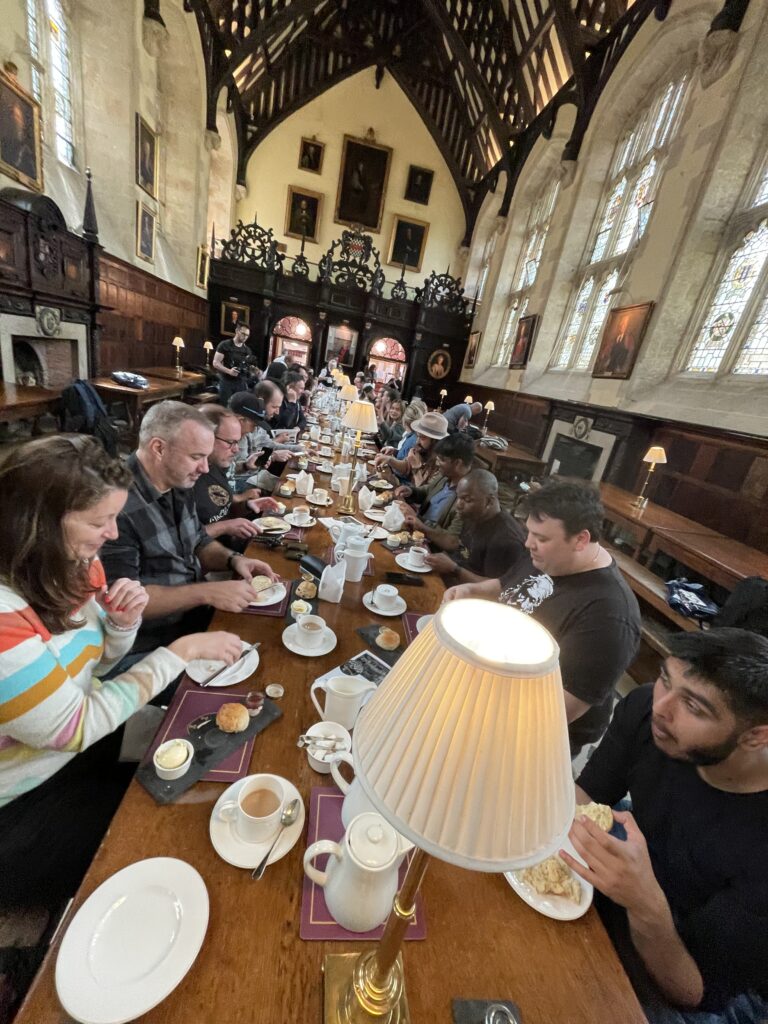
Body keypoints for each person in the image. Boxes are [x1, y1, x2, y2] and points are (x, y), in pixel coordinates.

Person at [0, 435, 242, 906]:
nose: (113, 533)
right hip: (24, 797)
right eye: (99, 520)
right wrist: (180, 651)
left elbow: (99, 668)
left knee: (204, 760)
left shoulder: (73, 564)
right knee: (166, 845)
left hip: (76, 749)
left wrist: (121, 625)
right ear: (38, 525)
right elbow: (74, 726)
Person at [566, 629, 768, 1024]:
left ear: (756, 736)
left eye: (694, 706)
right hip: (644, 870)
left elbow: (692, 991)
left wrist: (645, 905)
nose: (662, 706)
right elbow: (586, 797)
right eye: (665, 679)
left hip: (698, 972)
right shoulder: (647, 709)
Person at [445, 479, 641, 757]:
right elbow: (509, 584)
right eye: (529, 533)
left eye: (541, 538)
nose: (528, 544)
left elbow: (557, 713)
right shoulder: (547, 556)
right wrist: (473, 589)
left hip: (534, 734)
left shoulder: (609, 616)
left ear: (581, 540)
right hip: (489, 678)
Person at [100, 401, 278, 655]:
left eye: (206, 457)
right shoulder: (114, 507)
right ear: (158, 448)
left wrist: (233, 560)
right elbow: (124, 602)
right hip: (154, 644)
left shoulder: (177, 482)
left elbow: (198, 541)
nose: (205, 468)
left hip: (196, 619)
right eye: (196, 457)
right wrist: (207, 592)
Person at [194, 405, 279, 543]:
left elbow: (223, 509)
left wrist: (247, 506)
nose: (236, 449)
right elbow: (184, 540)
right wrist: (224, 527)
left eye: (237, 442)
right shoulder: (186, 479)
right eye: (230, 442)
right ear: (205, 437)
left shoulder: (216, 465)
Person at [425, 469, 528, 584]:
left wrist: (454, 569)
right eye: (458, 497)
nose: (458, 505)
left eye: (467, 499)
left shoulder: (506, 539)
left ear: (489, 501)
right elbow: (461, 551)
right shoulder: (474, 516)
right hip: (452, 579)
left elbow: (497, 589)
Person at [396, 433, 475, 545]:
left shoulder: (469, 497)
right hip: (415, 533)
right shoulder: (446, 476)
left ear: (458, 463)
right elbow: (427, 491)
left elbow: (451, 541)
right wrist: (411, 492)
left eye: (442, 460)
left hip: (430, 548)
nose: (437, 463)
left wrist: (419, 521)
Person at [230, 384, 302, 493]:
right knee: (285, 489)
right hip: (241, 483)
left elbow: (267, 447)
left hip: (254, 476)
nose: (278, 412)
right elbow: (231, 474)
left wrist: (301, 449)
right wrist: (270, 457)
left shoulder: (251, 426)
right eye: (274, 407)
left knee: (291, 486)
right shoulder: (228, 437)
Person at [379, 411, 448, 489]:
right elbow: (407, 466)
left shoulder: (441, 464)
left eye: (422, 438)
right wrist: (389, 459)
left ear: (435, 441)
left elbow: (424, 494)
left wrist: (416, 469)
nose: (417, 441)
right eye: (417, 436)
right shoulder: (422, 450)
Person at [212, 322, 259, 405]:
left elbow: (247, 367)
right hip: (226, 382)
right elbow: (215, 363)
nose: (245, 337)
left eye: (247, 335)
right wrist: (229, 371)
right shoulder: (224, 345)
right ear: (237, 331)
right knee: (226, 408)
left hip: (241, 383)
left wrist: (253, 370)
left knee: (238, 408)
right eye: (243, 334)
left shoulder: (247, 350)